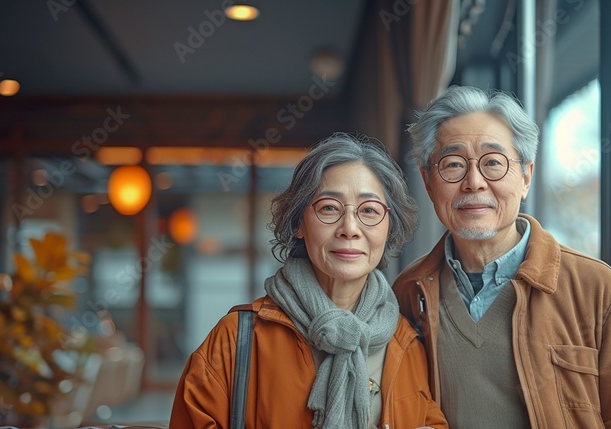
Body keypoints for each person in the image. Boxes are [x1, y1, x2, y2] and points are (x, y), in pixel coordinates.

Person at [392, 86, 611, 428]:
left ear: (525, 177)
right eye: (453, 164)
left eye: (493, 163)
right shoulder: (408, 292)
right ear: (428, 181)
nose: (474, 182)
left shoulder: (598, 290)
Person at [170, 133, 447, 429]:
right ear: (298, 223)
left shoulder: (406, 342)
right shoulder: (237, 339)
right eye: (329, 207)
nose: (350, 228)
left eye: (369, 211)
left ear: (389, 227)